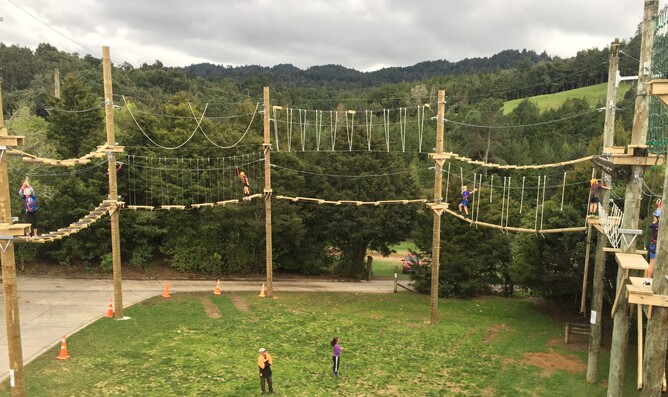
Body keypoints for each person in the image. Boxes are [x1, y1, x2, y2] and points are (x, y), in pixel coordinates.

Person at [647, 206, 660, 281]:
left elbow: (651, 226)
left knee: (651, 263)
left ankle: (648, 279)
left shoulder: (654, 225)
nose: (653, 218)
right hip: (659, 245)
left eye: (655, 217)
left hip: (653, 245)